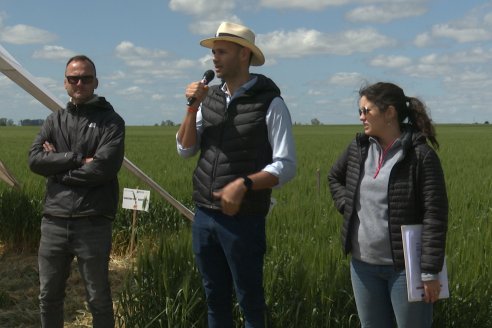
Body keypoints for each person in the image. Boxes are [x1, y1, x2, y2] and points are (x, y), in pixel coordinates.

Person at [176, 22, 297, 327]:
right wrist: (191, 109)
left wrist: (244, 184)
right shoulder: (210, 100)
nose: (214, 59)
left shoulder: (270, 103)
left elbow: (285, 165)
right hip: (204, 216)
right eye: (213, 52)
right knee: (214, 298)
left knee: (249, 301)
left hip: (244, 220)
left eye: (222, 52)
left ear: (244, 55)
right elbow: (185, 149)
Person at [328, 82, 448, 328]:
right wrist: (347, 205)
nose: (361, 117)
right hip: (363, 267)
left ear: (390, 113)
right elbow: (334, 178)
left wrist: (429, 272)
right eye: (359, 111)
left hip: (406, 271)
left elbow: (435, 215)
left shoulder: (420, 155)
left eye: (366, 110)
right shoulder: (359, 148)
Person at [28, 55, 125, 328]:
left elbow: (103, 169)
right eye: (73, 79)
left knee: (98, 297)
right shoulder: (54, 120)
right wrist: (77, 159)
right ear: (65, 83)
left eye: (85, 78)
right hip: (54, 220)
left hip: (93, 220)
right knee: (48, 296)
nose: (79, 83)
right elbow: (35, 160)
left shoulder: (112, 122)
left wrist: (56, 167)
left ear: (96, 82)